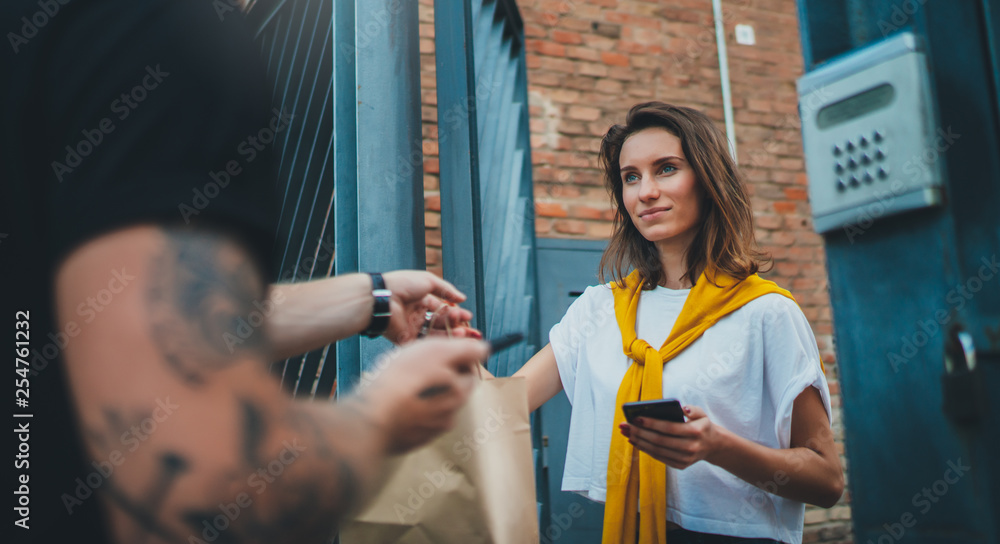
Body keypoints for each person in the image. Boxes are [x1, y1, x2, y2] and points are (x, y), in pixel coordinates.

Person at [4, 1, 485, 543]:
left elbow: (102, 321)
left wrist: (373, 299)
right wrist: (382, 416)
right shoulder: (160, 33)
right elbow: (203, 481)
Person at [511, 102, 844, 544]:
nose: (645, 191)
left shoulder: (765, 312)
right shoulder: (600, 310)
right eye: (631, 177)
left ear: (707, 181)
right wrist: (446, 350)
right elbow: (506, 402)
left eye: (666, 169)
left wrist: (719, 448)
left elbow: (826, 479)